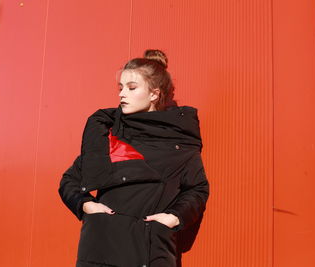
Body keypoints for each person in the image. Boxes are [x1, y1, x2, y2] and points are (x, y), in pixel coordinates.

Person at [58, 49, 209, 267]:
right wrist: (86, 205)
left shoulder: (180, 142)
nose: (121, 94)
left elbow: (197, 189)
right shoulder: (109, 136)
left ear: (154, 94)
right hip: (100, 249)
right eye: (120, 88)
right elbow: (69, 180)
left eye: (131, 88)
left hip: (149, 250)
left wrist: (173, 217)